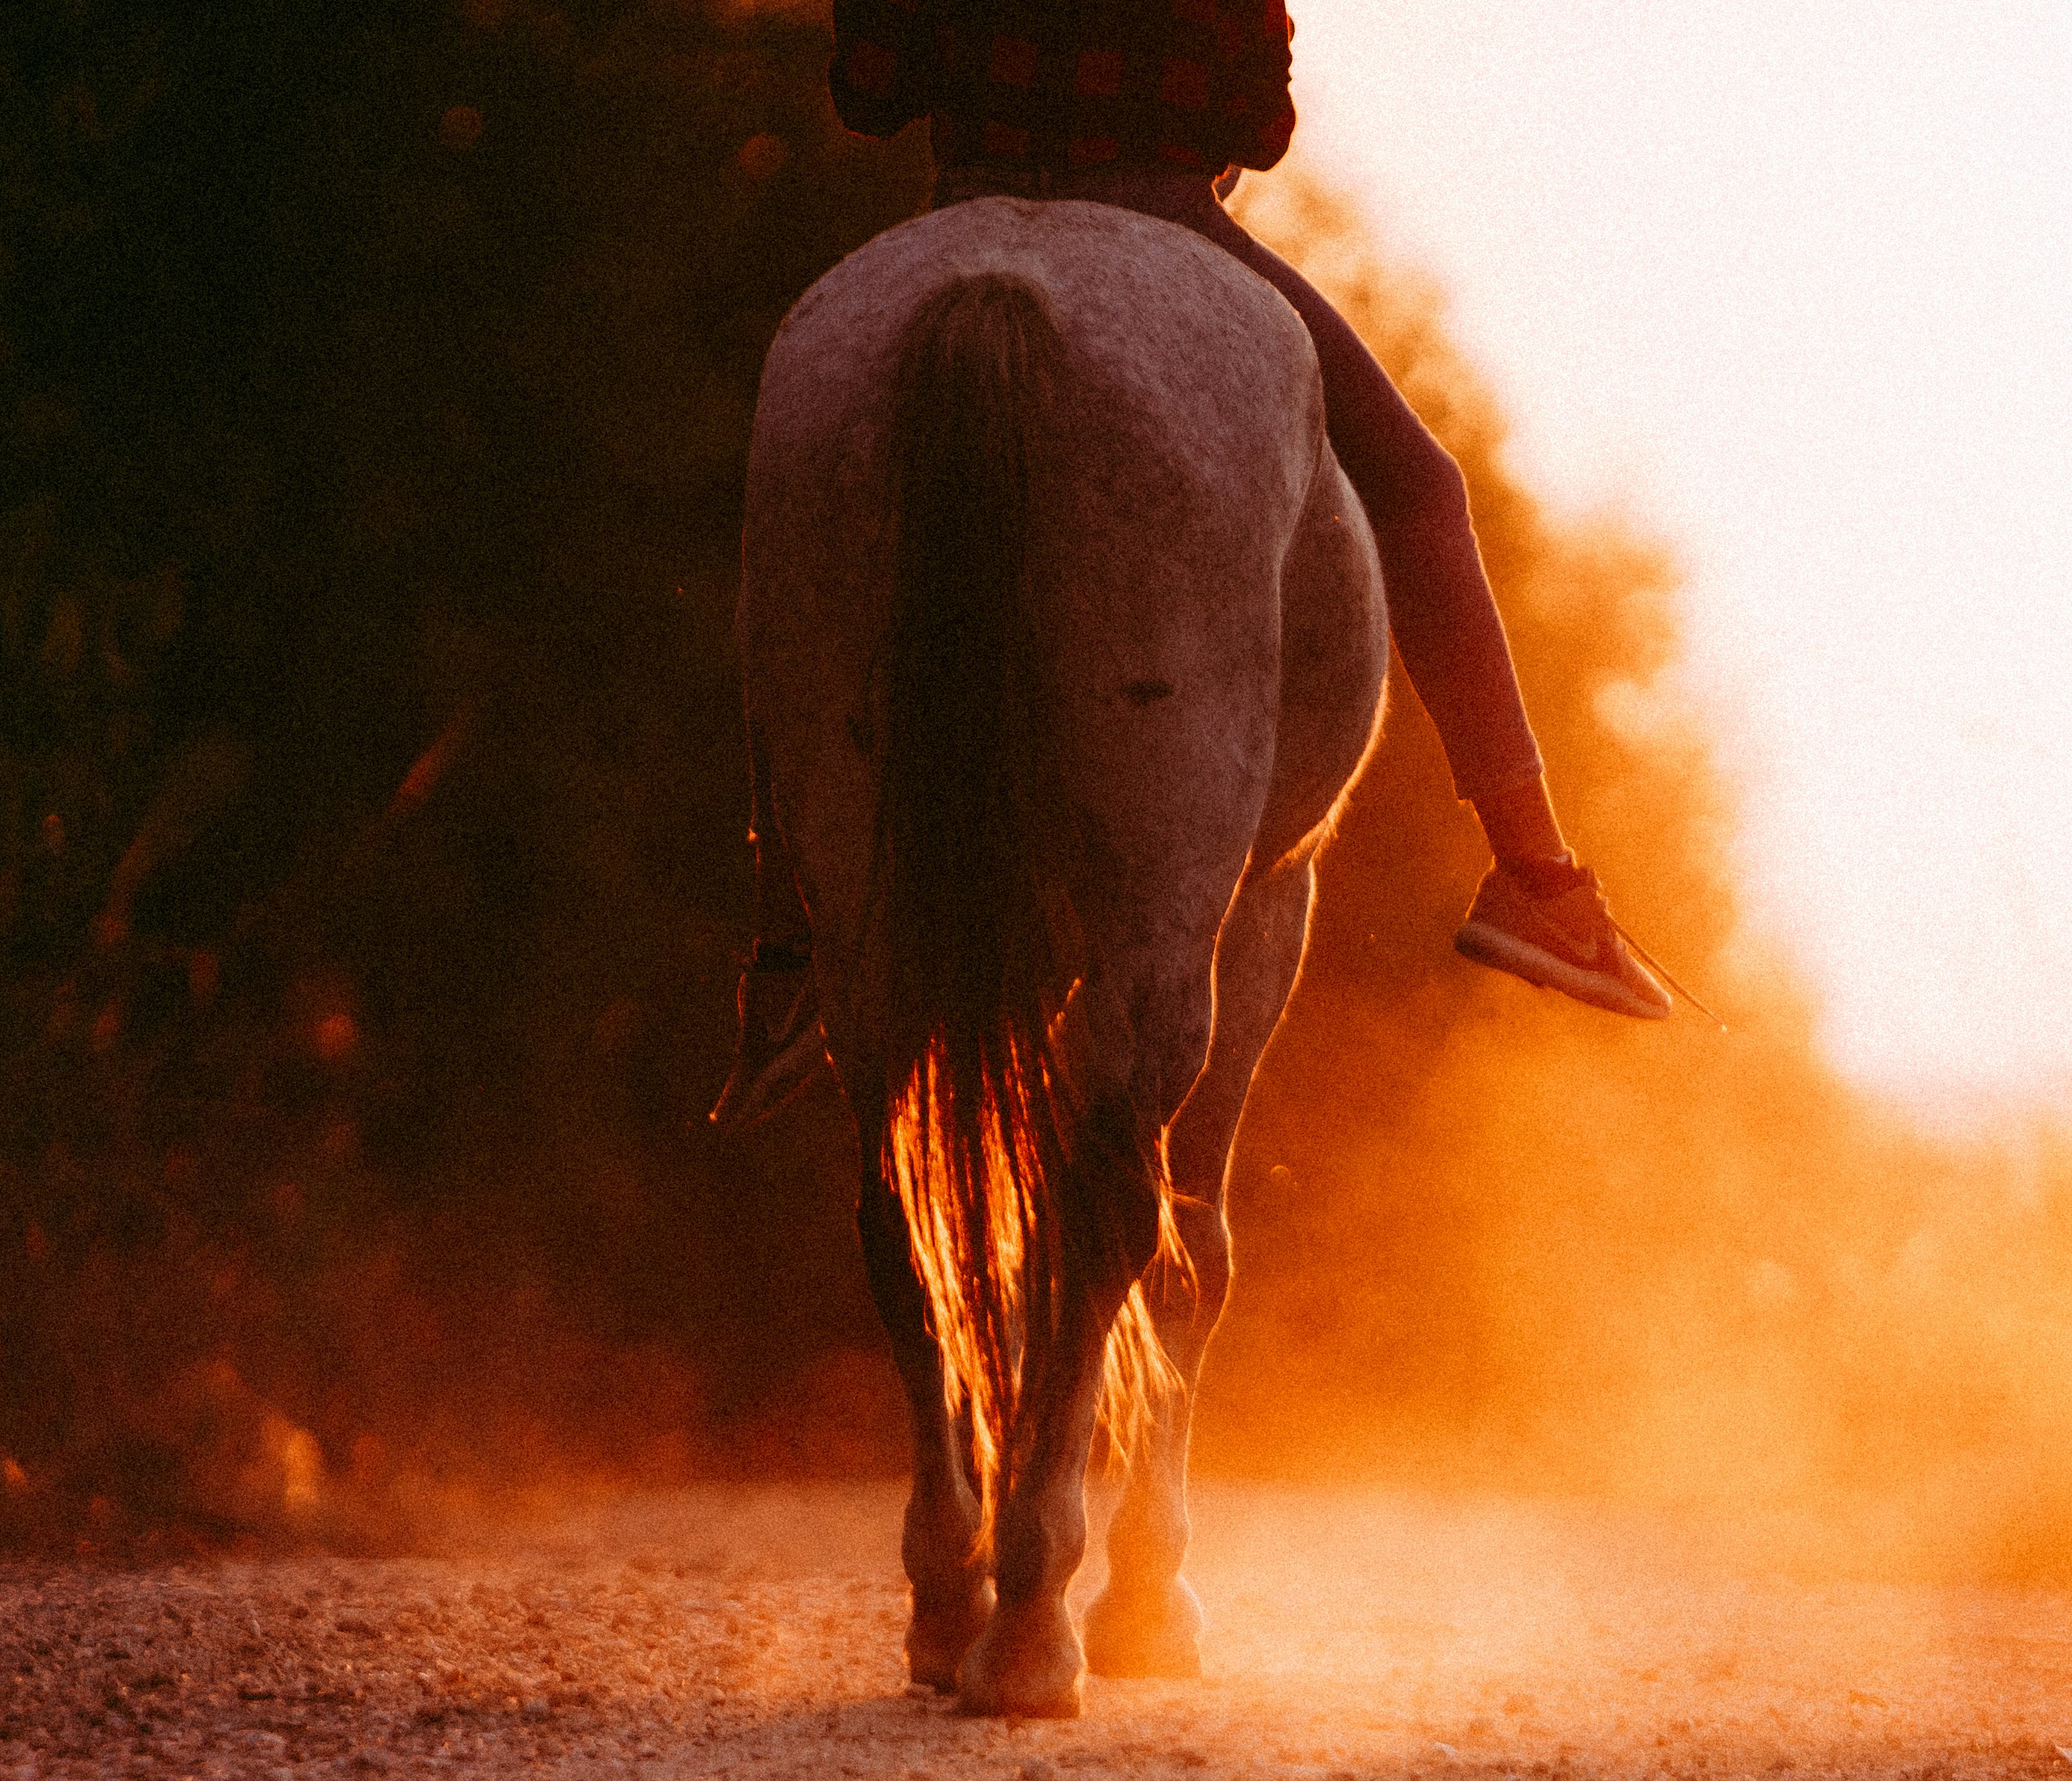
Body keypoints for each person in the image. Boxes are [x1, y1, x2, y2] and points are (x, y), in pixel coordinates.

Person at [713, 0, 1677, 1126]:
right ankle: (1535, 879)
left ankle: (787, 934)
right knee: (1421, 495)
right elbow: (1257, 126)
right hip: (1165, 215)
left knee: (789, 524)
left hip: (960, 197)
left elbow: (867, 89)